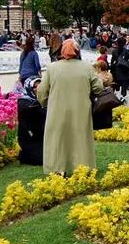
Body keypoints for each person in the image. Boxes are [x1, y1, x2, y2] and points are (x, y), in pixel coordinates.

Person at [37, 39, 104, 176]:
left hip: (57, 110)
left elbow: (42, 91)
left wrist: (44, 103)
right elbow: (98, 87)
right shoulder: (86, 67)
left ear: (61, 51)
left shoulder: (52, 68)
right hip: (81, 110)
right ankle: (83, 168)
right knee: (80, 138)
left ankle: (57, 169)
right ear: (78, 52)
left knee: (58, 139)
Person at [17, 77, 46, 165]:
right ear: (29, 88)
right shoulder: (24, 102)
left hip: (41, 137)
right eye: (35, 87)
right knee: (42, 160)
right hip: (30, 138)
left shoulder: (43, 100)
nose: (38, 89)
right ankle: (24, 156)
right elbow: (32, 112)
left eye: (40, 86)